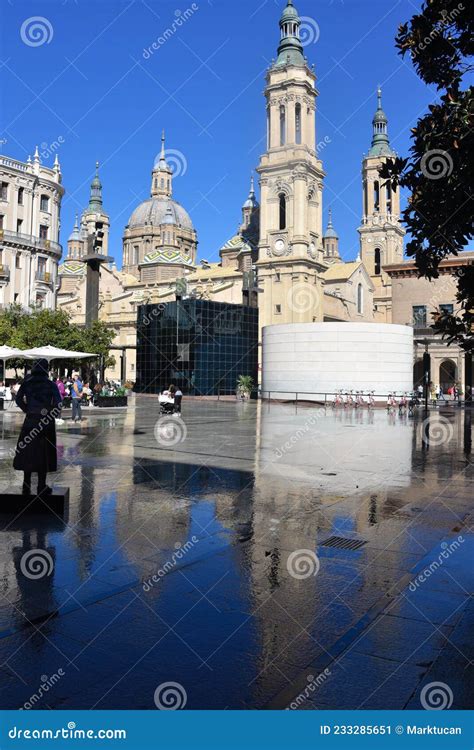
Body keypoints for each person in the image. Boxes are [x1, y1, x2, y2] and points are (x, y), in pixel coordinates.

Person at [13, 358, 61, 495]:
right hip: (45, 422)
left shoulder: (27, 383)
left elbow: (18, 399)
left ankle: (26, 484)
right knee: (44, 452)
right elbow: (58, 403)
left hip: (30, 420)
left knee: (28, 451)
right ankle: (41, 485)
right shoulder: (50, 384)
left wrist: (27, 409)